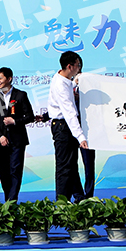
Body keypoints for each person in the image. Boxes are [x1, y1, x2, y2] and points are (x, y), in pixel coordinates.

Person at [0, 66, 35, 201]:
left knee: (15, 170)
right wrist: (0, 136)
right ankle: (8, 198)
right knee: (4, 172)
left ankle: (12, 200)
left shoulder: (21, 95)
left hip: (17, 139)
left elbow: (30, 116)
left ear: (9, 79)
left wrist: (14, 121)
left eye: (0, 78)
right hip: (1, 140)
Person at [47, 51, 88, 202]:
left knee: (71, 164)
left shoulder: (64, 79)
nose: (79, 68)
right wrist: (80, 136)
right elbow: (69, 113)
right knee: (64, 167)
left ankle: (79, 198)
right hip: (62, 127)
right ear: (70, 66)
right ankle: (62, 203)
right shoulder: (61, 85)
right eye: (78, 65)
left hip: (64, 126)